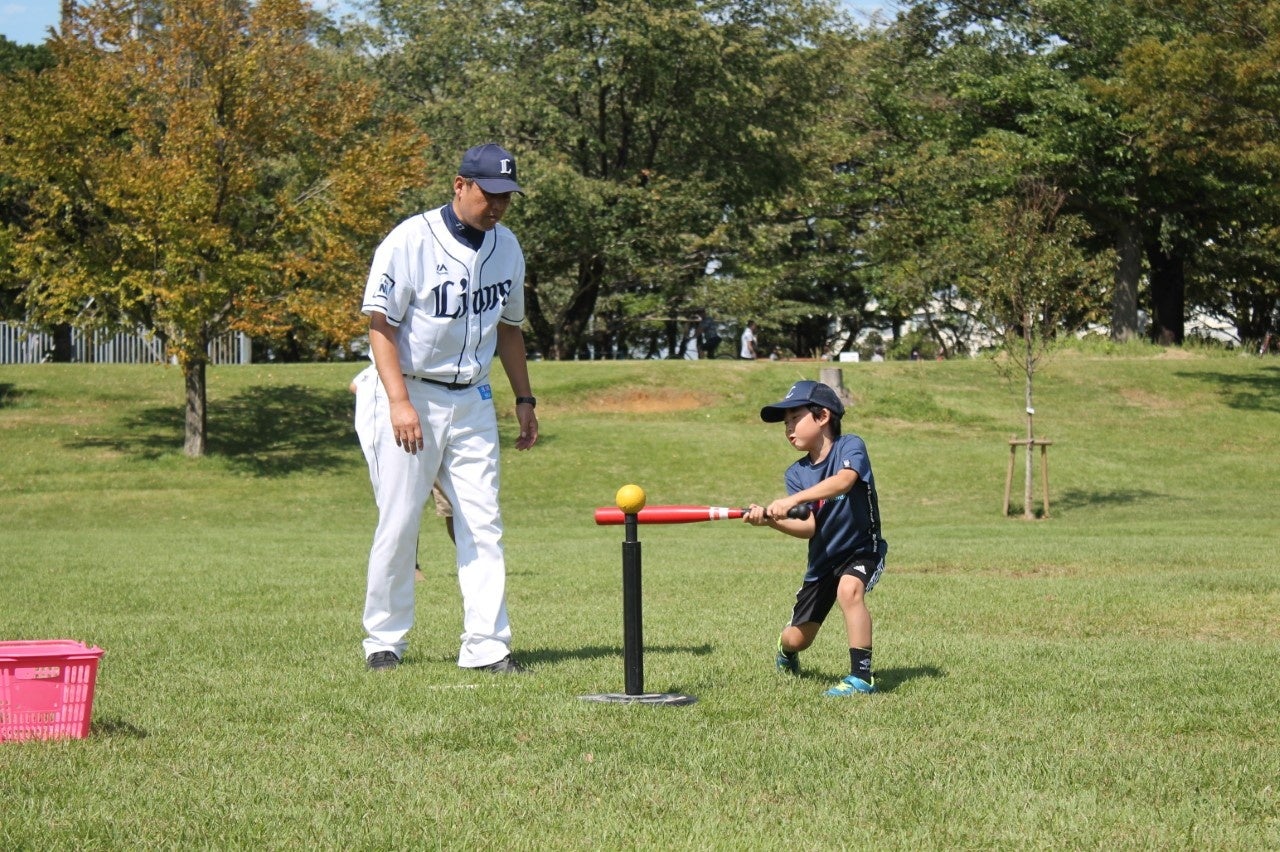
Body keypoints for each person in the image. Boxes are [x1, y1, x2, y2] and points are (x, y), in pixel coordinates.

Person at [359, 142, 539, 674]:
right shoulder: (410, 240)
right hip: (409, 389)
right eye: (490, 193)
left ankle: (487, 647)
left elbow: (509, 328)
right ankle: (383, 640)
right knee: (399, 521)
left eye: (507, 196)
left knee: (483, 523)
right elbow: (380, 326)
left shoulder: (507, 248)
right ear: (460, 185)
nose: (499, 206)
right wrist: (398, 403)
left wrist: (524, 398)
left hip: (474, 398)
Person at [744, 380, 887, 697]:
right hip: (823, 561)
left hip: (862, 549)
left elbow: (844, 482)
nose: (789, 429)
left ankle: (861, 677)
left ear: (822, 416)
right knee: (798, 639)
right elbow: (808, 527)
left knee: (850, 590)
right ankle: (786, 650)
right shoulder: (796, 473)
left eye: (795, 419)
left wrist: (792, 502)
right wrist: (769, 521)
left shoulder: (850, 446)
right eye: (786, 424)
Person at [351, 366, 455, 584]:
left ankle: (470, 559)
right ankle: (411, 568)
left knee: (454, 508)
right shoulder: (385, 367)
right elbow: (357, 385)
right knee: (405, 508)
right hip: (410, 443)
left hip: (443, 442)